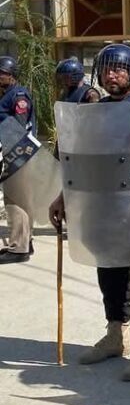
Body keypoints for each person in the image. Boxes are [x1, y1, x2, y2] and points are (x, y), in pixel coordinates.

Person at [49, 44, 130, 380]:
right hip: (102, 199)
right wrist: (65, 196)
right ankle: (117, 333)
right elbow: (78, 155)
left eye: (118, 69)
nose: (111, 75)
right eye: (106, 69)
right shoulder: (98, 108)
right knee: (110, 266)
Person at [0, 57, 36, 264]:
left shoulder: (19, 95)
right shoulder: (8, 94)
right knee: (20, 198)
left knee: (15, 199)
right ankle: (25, 241)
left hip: (19, 150)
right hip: (15, 149)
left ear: (10, 75)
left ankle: (18, 248)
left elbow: (18, 125)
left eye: (1, 73)